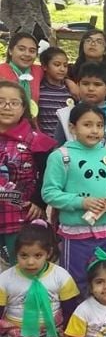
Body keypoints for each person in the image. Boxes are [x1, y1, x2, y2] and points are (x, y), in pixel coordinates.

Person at [42, 104, 106, 297]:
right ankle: (76, 321)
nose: (95, 130)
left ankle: (105, 319)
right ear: (73, 128)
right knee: (76, 280)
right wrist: (82, 202)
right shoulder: (61, 157)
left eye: (99, 125)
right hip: (77, 234)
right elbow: (49, 193)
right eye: (87, 125)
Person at [0, 220, 79, 337]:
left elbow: (71, 311)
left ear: (48, 253)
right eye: (24, 256)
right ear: (16, 254)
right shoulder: (5, 279)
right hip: (13, 333)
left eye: (37, 256)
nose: (30, 262)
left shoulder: (60, 276)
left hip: (48, 333)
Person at [0, 80, 56, 264]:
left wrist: (38, 202)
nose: (7, 107)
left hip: (21, 217)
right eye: (1, 101)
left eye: (14, 103)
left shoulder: (35, 140)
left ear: (24, 107)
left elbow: (49, 174)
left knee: (24, 270)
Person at [54, 62, 106, 159]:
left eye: (97, 84)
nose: (91, 88)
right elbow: (57, 148)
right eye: (85, 84)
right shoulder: (66, 115)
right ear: (78, 85)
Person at [0, 33, 44, 116]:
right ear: (10, 51)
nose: (27, 54)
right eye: (21, 49)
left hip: (30, 125)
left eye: (32, 51)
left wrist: (68, 81)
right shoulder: (1, 70)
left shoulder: (38, 71)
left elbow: (57, 72)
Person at [37, 47, 73, 138]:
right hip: (43, 142)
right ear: (45, 66)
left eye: (65, 65)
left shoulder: (70, 91)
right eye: (57, 65)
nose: (62, 69)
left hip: (65, 141)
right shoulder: (38, 90)